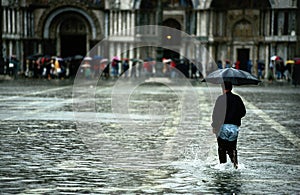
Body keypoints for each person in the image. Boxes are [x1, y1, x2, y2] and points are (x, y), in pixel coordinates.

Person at [211, 81, 246, 169]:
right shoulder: (237, 98)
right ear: (231, 88)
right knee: (232, 148)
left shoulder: (220, 99)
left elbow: (215, 114)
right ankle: (235, 165)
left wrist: (214, 126)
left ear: (222, 88)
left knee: (222, 148)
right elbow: (243, 112)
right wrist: (235, 117)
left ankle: (223, 166)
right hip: (234, 128)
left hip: (222, 127)